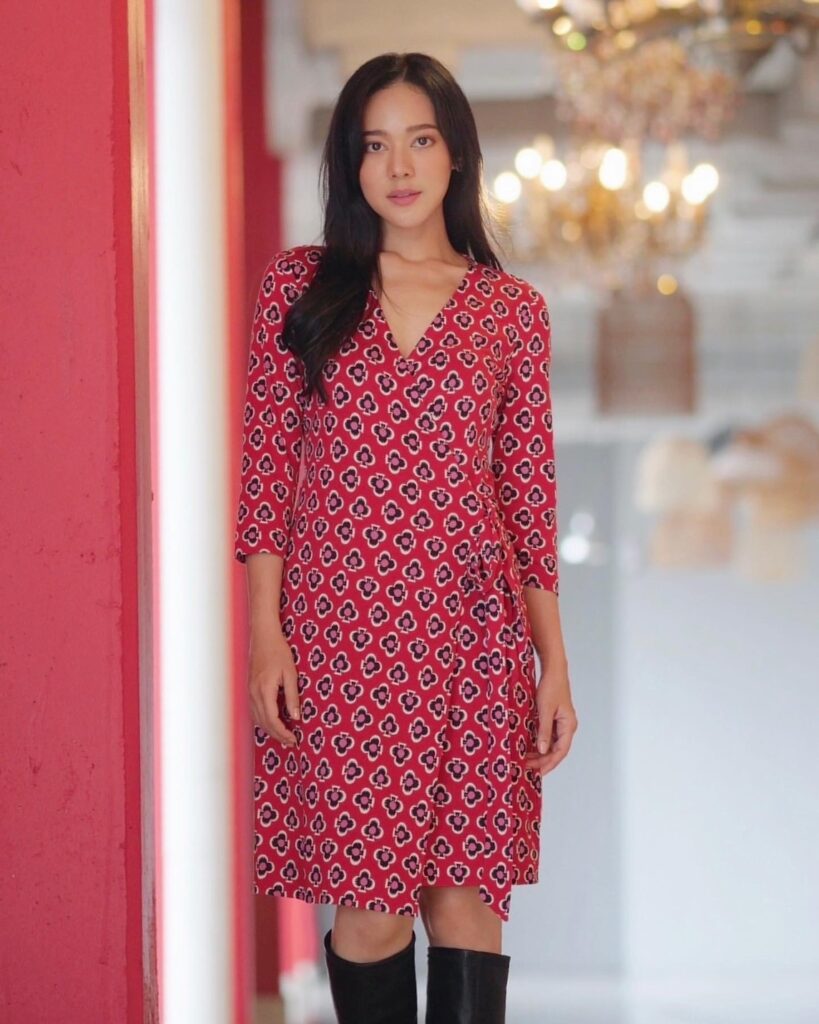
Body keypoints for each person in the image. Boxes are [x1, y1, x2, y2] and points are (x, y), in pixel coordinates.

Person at [234, 51, 578, 1024]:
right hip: (343, 633)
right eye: (374, 144)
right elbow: (265, 475)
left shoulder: (511, 311)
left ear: (455, 154)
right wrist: (266, 633)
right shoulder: (301, 286)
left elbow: (527, 498)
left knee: (467, 903)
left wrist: (553, 662)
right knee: (373, 909)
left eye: (420, 140)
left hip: (476, 635)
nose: (399, 166)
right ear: (348, 163)